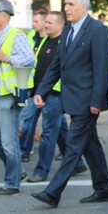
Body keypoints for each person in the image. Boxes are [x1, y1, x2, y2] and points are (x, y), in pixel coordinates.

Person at [31, 0, 108, 208]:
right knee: (90, 146)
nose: (66, 8)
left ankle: (53, 192)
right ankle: (105, 188)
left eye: (70, 4)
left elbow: (102, 68)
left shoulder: (98, 30)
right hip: (73, 99)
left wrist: (97, 100)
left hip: (88, 101)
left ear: (84, 7)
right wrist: (42, 90)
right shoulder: (68, 29)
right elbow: (57, 65)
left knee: (73, 145)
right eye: (65, 4)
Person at [0, 0, 34, 197]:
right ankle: (17, 170)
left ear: (4, 16)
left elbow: (30, 59)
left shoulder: (15, 35)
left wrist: (6, 58)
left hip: (9, 95)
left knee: (9, 142)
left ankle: (12, 184)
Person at [27, 11, 87, 182]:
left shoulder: (64, 43)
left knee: (48, 133)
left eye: (50, 23)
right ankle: (77, 163)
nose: (46, 25)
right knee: (60, 131)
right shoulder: (45, 40)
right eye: (46, 22)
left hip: (55, 93)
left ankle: (41, 171)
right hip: (43, 93)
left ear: (60, 26)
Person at [20, 8, 48, 162]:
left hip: (49, 88)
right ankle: (24, 150)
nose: (33, 24)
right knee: (28, 119)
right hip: (32, 86)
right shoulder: (30, 36)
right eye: (33, 20)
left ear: (45, 22)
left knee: (57, 124)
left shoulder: (52, 39)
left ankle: (73, 157)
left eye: (37, 21)